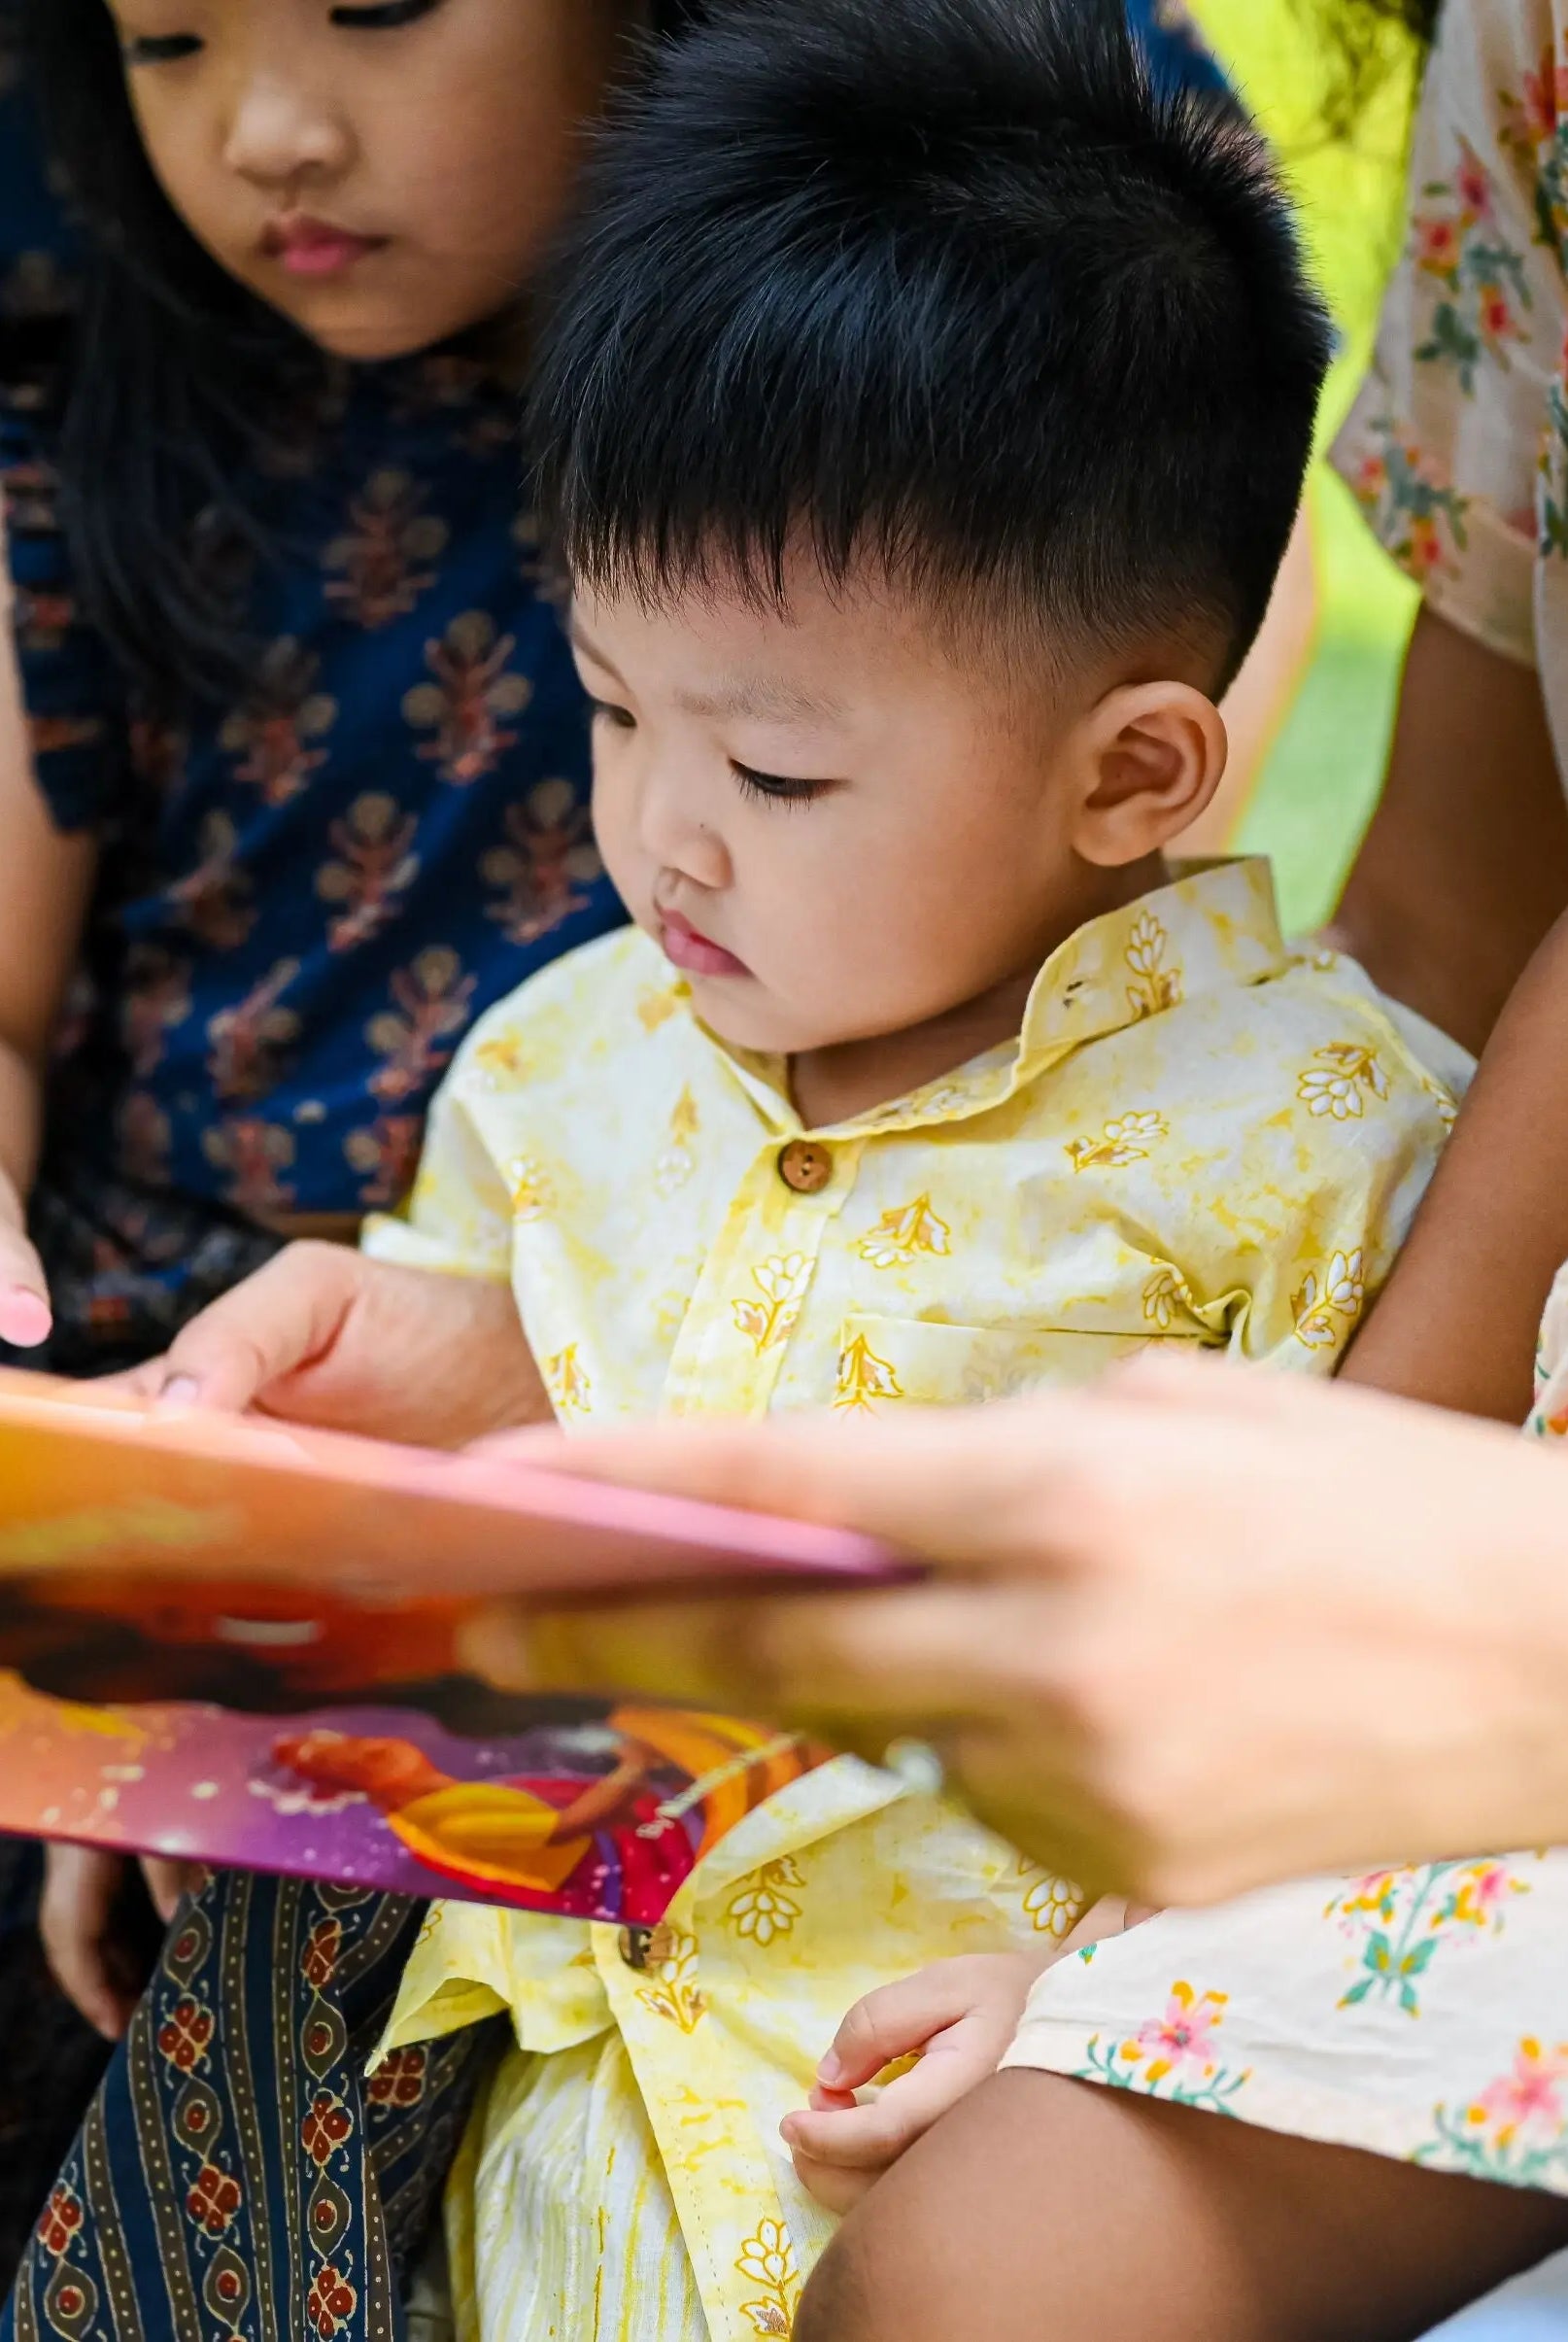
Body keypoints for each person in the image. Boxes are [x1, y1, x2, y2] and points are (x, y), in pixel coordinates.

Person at [17, 1, 1477, 2333]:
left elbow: (1390, 1702)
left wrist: (1105, 1988)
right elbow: (450, 1624)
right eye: (610, 706)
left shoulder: (1329, 1147)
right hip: (509, 2212)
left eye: (778, 773)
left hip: (902, 2195)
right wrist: (211, 1720)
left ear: (1133, 770)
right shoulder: (561, 1065)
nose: (660, 835)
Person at [0, 0, 701, 2294]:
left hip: (625, 1388)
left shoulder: (866, 403)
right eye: (169, 38)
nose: (271, 129)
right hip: (156, 1379)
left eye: (380, 5)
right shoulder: (91, 434)